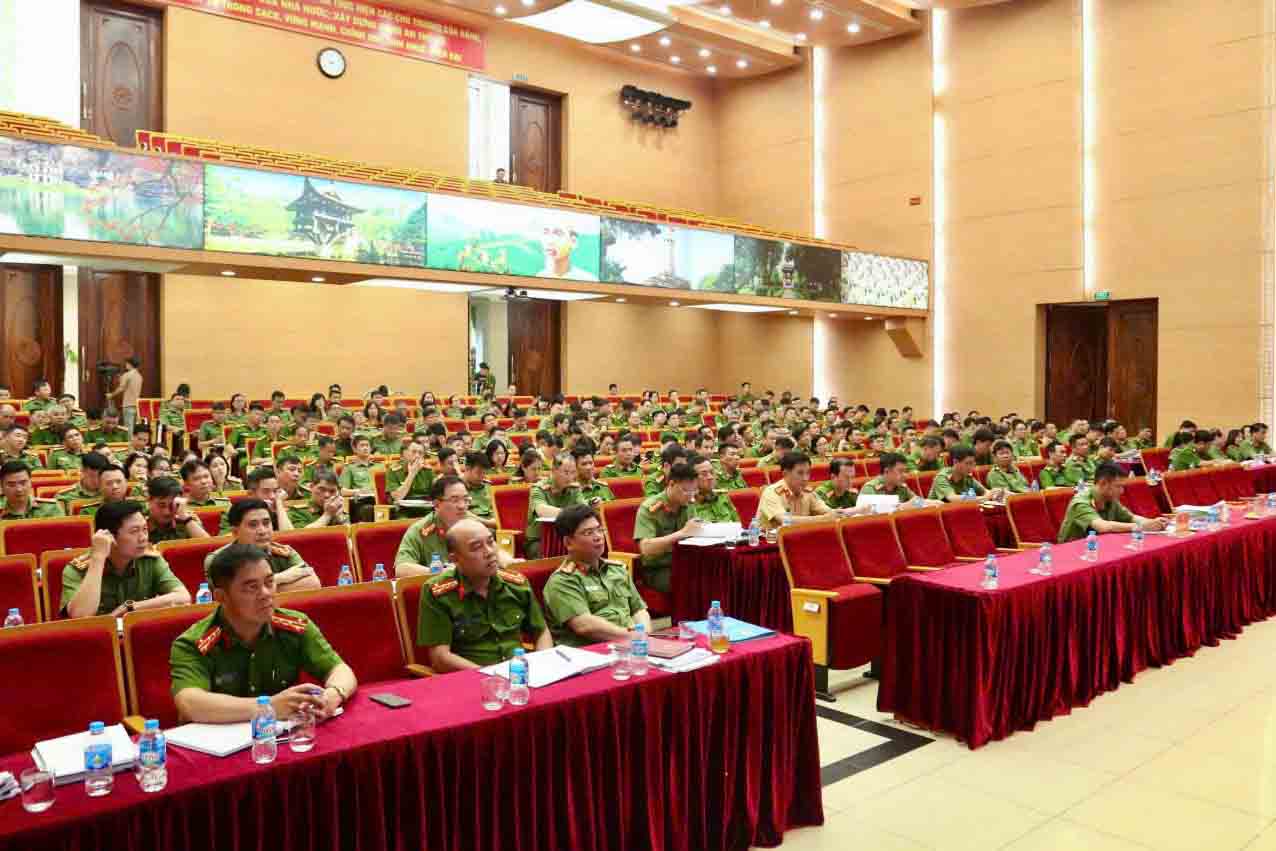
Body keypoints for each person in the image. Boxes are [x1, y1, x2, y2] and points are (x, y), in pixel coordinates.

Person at [170, 543, 357, 723]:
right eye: (252, 587)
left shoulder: (295, 625)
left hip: (281, 736)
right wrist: (268, 706)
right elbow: (189, 702)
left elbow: (340, 670)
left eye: (269, 582)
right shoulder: (195, 643)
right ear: (221, 596)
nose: (266, 593)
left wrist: (333, 694)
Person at [416, 518, 552, 671]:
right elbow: (440, 658)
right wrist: (489, 675)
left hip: (519, 673)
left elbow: (541, 631)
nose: (489, 552)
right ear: (455, 559)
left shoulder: (516, 584)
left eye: (491, 542)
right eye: (476, 547)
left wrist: (543, 664)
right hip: (473, 677)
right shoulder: (439, 593)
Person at [542, 504, 650, 647]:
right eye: (588, 533)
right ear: (568, 542)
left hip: (631, 645)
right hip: (590, 651)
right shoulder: (563, 581)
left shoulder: (617, 570)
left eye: (600, 530)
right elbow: (584, 625)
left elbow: (639, 610)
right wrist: (631, 636)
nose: (598, 537)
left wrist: (644, 635)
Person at [62, 500, 191, 618]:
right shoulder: (78, 570)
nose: (143, 538)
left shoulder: (150, 560)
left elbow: (183, 597)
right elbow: (80, 616)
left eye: (145, 529)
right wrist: (98, 558)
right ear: (109, 536)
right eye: (134, 531)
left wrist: (131, 607)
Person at [206, 498, 319, 591]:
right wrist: (281, 578)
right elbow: (228, 597)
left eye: (266, 523)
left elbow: (313, 583)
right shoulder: (217, 559)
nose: (262, 531)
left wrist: (252, 589)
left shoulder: (285, 552)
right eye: (253, 525)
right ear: (235, 532)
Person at [633, 462, 703, 593]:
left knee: (714, 575)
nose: (690, 496)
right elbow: (646, 549)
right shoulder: (650, 508)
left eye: (694, 491)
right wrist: (681, 533)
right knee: (691, 584)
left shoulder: (688, 504)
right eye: (685, 491)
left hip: (685, 563)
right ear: (671, 484)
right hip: (659, 569)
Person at [1057, 461, 1167, 543]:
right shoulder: (1080, 502)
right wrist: (1140, 527)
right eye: (1118, 486)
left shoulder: (1110, 499)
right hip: (1072, 551)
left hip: (1098, 546)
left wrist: (1152, 523)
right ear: (1103, 483)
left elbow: (1131, 517)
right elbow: (1103, 526)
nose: (1122, 491)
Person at [526, 453, 584, 558]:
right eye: (566, 472)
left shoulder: (574, 488)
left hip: (567, 538)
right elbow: (542, 511)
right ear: (553, 471)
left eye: (573, 472)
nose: (570, 477)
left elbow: (584, 510)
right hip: (540, 540)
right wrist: (572, 513)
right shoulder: (538, 488)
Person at [146, 475, 211, 543]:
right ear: (149, 501)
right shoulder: (141, 520)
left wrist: (186, 519)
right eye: (161, 505)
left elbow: (208, 545)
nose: (167, 512)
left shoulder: (187, 518)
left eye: (172, 505)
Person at [929, 445, 1005, 502]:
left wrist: (995, 495)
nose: (971, 467)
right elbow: (952, 498)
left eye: (973, 464)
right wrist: (983, 498)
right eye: (968, 463)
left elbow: (985, 491)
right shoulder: (942, 477)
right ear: (955, 462)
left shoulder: (967, 476)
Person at [386, 441, 435, 517]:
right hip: (403, 511)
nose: (417, 456)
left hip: (425, 509)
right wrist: (412, 473)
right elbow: (397, 496)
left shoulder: (428, 470)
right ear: (405, 453)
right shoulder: (394, 471)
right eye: (414, 452)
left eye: (420, 453)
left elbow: (436, 494)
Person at [687, 454, 740, 523]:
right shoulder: (689, 506)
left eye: (712, 472)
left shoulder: (723, 497)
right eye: (704, 474)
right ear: (692, 479)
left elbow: (737, 523)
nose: (710, 477)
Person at [461, 451, 498, 529]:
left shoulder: (488, 486)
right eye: (479, 473)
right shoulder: (457, 489)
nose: (482, 476)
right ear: (467, 469)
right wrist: (489, 523)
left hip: (496, 529)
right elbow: (462, 513)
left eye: (484, 473)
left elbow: (498, 511)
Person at [106, 358, 143, 431]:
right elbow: (130, 386)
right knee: (134, 427)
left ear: (130, 364)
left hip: (128, 404)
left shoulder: (127, 375)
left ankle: (128, 439)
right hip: (137, 405)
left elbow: (121, 388)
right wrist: (122, 379)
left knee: (128, 428)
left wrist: (111, 395)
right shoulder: (139, 376)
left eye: (126, 364)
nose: (126, 365)